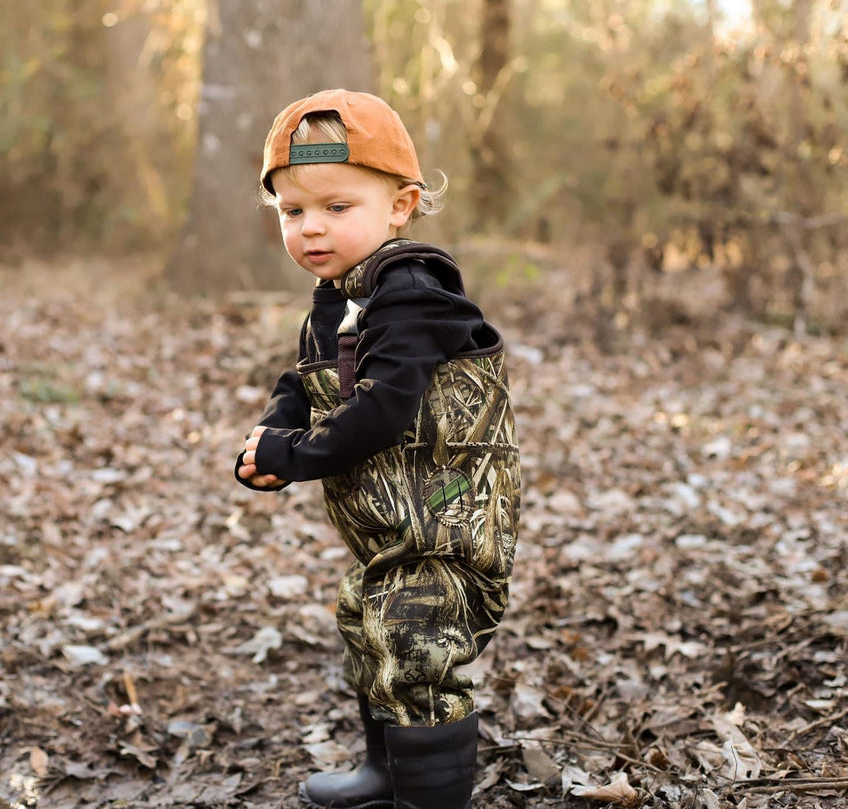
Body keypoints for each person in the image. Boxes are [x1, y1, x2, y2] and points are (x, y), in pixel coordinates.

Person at [234, 89, 521, 809]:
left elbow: (385, 407)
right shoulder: (337, 296)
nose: (311, 228)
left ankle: (433, 797)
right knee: (368, 621)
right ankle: (387, 773)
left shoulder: (412, 288)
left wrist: (299, 457)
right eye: (293, 212)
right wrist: (273, 433)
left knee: (417, 640)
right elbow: (301, 382)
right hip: (393, 529)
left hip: (449, 521)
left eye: (337, 207)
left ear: (400, 205)